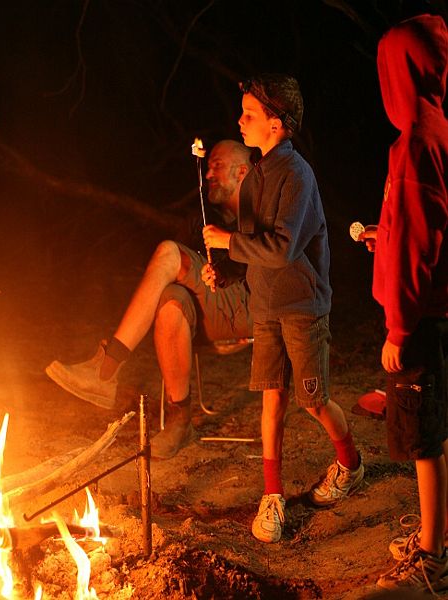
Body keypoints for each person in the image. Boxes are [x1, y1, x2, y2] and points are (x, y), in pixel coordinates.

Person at [203, 73, 362, 544]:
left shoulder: (297, 176)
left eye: (250, 114)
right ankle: (272, 496)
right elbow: (254, 250)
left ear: (276, 123)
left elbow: (282, 248)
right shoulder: (256, 177)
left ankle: (350, 463)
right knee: (271, 397)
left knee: (313, 400)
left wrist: (228, 241)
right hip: (266, 306)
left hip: (302, 305)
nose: (240, 120)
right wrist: (228, 271)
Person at [45, 140, 253, 459]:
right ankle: (180, 420)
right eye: (208, 165)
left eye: (218, 166)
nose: (209, 173)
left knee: (169, 251)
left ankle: (107, 367)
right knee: (170, 300)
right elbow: (180, 274)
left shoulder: (261, 208)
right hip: (213, 311)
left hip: (250, 308)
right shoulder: (200, 217)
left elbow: (275, 264)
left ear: (242, 172)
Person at [357, 14, 448, 591]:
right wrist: (380, 236)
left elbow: (421, 239)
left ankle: (432, 559)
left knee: (422, 437)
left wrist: (397, 325)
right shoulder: (432, 129)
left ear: (400, 73)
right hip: (430, 306)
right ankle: (433, 536)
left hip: (421, 314)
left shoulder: (418, 140)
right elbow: (413, 227)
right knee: (432, 427)